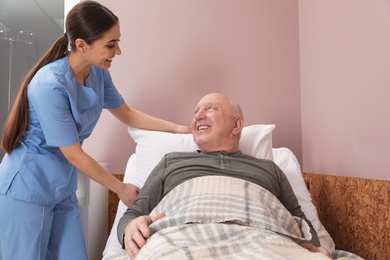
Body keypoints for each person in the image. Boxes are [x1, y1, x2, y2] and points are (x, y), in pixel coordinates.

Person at [0, 1, 190, 260]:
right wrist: (119, 187)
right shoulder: (49, 85)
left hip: (61, 188)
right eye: (111, 45)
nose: (118, 51)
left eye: (117, 42)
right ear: (82, 45)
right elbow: (74, 154)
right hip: (27, 188)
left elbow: (127, 113)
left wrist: (178, 129)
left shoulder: (98, 73)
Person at [117, 93, 333, 260]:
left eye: (210, 109)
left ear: (236, 124)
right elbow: (133, 214)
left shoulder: (270, 169)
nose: (198, 116)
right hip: (179, 240)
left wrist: (312, 247)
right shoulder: (170, 162)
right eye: (196, 112)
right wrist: (130, 227)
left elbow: (302, 225)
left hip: (262, 242)